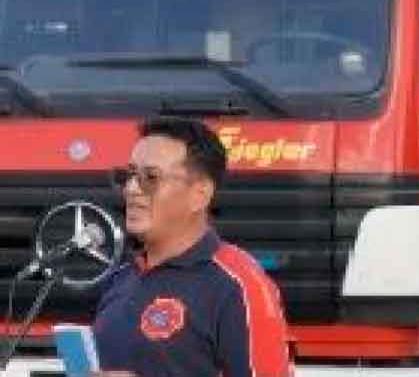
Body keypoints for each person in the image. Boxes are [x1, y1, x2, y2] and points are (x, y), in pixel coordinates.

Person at [92, 117, 293, 377]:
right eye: (129, 175)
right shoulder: (120, 278)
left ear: (200, 195)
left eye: (150, 177)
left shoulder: (238, 285)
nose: (131, 189)